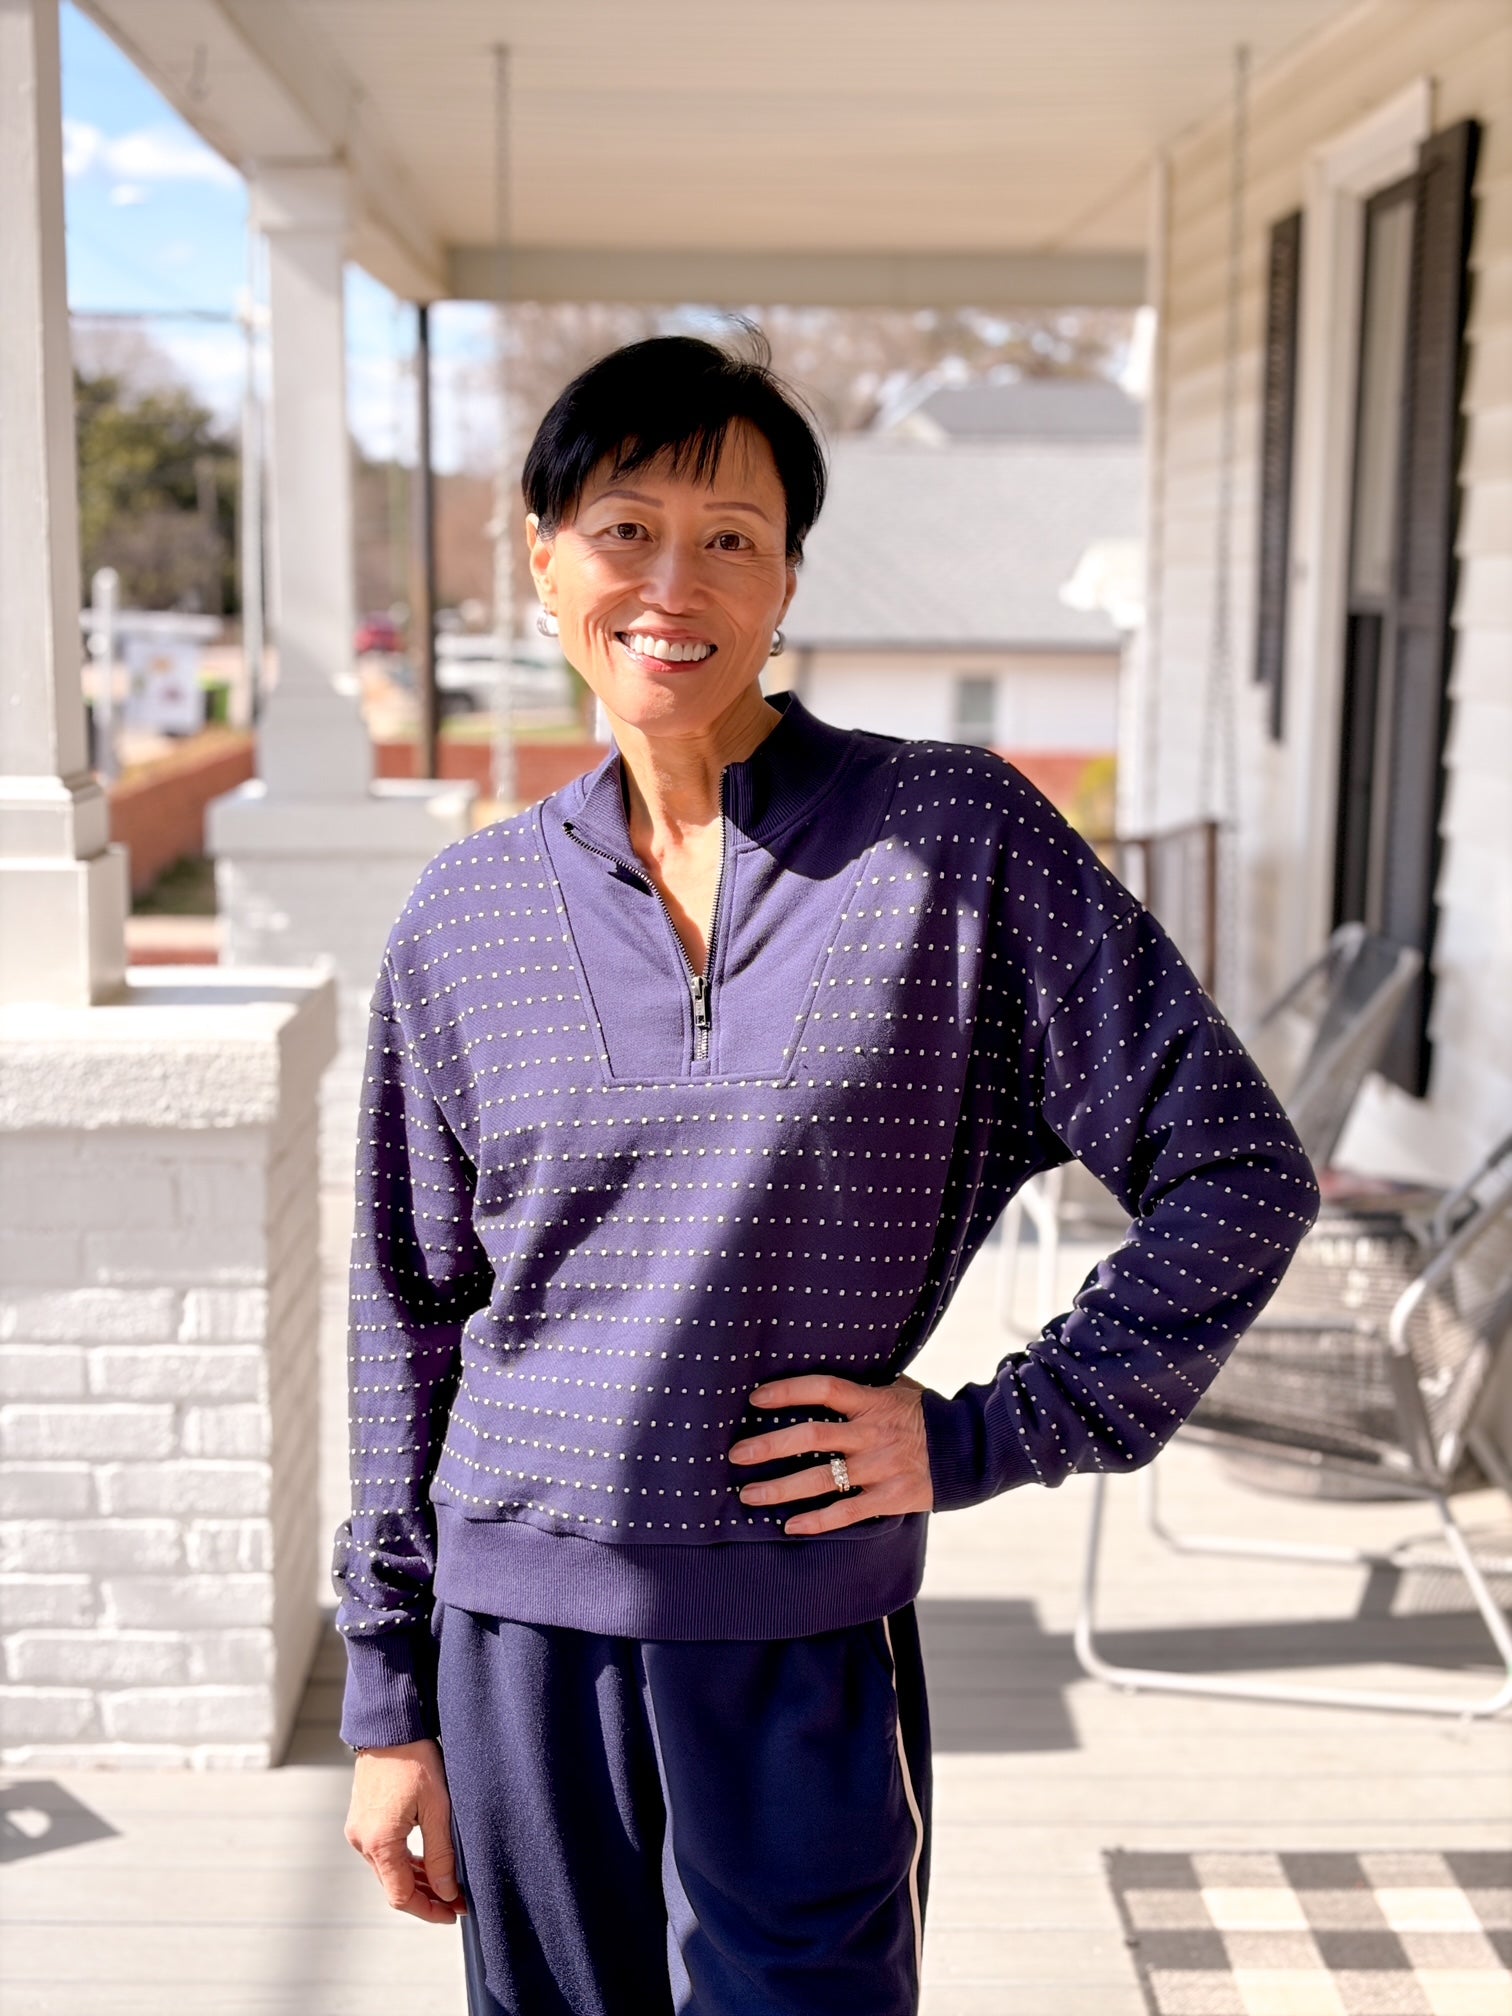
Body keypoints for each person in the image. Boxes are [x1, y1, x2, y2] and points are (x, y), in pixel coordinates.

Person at [335, 332, 1320, 2016]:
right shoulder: (466, 917)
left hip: (797, 1633)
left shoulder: (952, 842)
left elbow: (1237, 1167)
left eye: (731, 535)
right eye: (625, 528)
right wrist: (388, 1698)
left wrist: (989, 1432)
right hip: (515, 1645)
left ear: (787, 578)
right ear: (545, 558)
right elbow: (407, 1314)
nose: (673, 583)